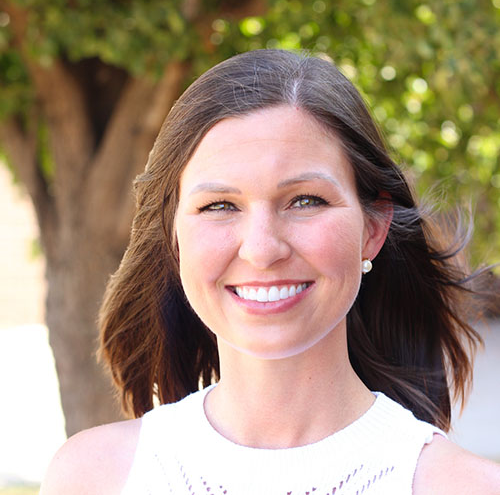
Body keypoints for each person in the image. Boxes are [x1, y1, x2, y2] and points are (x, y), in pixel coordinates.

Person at [40, 49, 500, 494]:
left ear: (373, 227)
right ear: (174, 238)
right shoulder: (92, 479)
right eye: (219, 205)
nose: (262, 250)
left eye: (305, 200)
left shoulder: (466, 487)